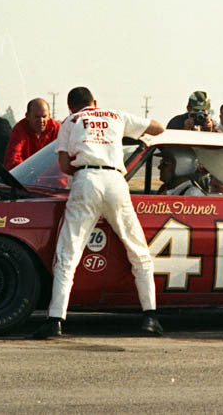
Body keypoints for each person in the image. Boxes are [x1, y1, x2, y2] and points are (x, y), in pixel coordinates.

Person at [33, 86, 165, 339]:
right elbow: (158, 128)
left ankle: (55, 320)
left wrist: (83, 173)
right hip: (116, 180)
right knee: (138, 250)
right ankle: (150, 316)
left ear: (72, 107)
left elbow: (63, 165)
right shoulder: (116, 115)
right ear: (95, 102)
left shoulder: (70, 121)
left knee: (68, 254)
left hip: (86, 179)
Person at [3, 98, 60, 169]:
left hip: (51, 176)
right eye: (37, 117)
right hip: (26, 176)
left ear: (49, 116)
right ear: (27, 116)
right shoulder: (20, 129)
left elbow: (63, 157)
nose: (41, 120)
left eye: (44, 116)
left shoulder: (57, 128)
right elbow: (13, 158)